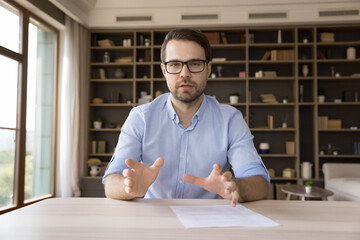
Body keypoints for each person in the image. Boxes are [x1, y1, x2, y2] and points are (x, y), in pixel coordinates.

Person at [103, 28, 269, 206]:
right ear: (164, 70)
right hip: (155, 222)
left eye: (195, 63)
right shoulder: (140, 118)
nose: (184, 74)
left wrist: (235, 187)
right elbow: (111, 183)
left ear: (208, 69)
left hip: (210, 224)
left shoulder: (230, 120)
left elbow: (259, 184)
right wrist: (129, 186)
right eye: (175, 64)